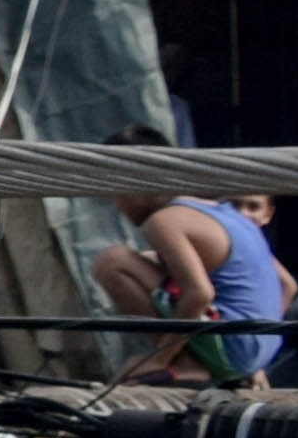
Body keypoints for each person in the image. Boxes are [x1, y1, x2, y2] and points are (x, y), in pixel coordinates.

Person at [94, 127, 285, 386]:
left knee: (113, 262)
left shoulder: (164, 221)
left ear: (136, 181)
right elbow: (287, 284)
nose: (118, 203)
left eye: (117, 191)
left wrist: (158, 359)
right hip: (259, 350)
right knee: (146, 261)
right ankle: (207, 361)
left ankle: (185, 364)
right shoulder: (219, 211)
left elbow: (200, 294)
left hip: (235, 348)